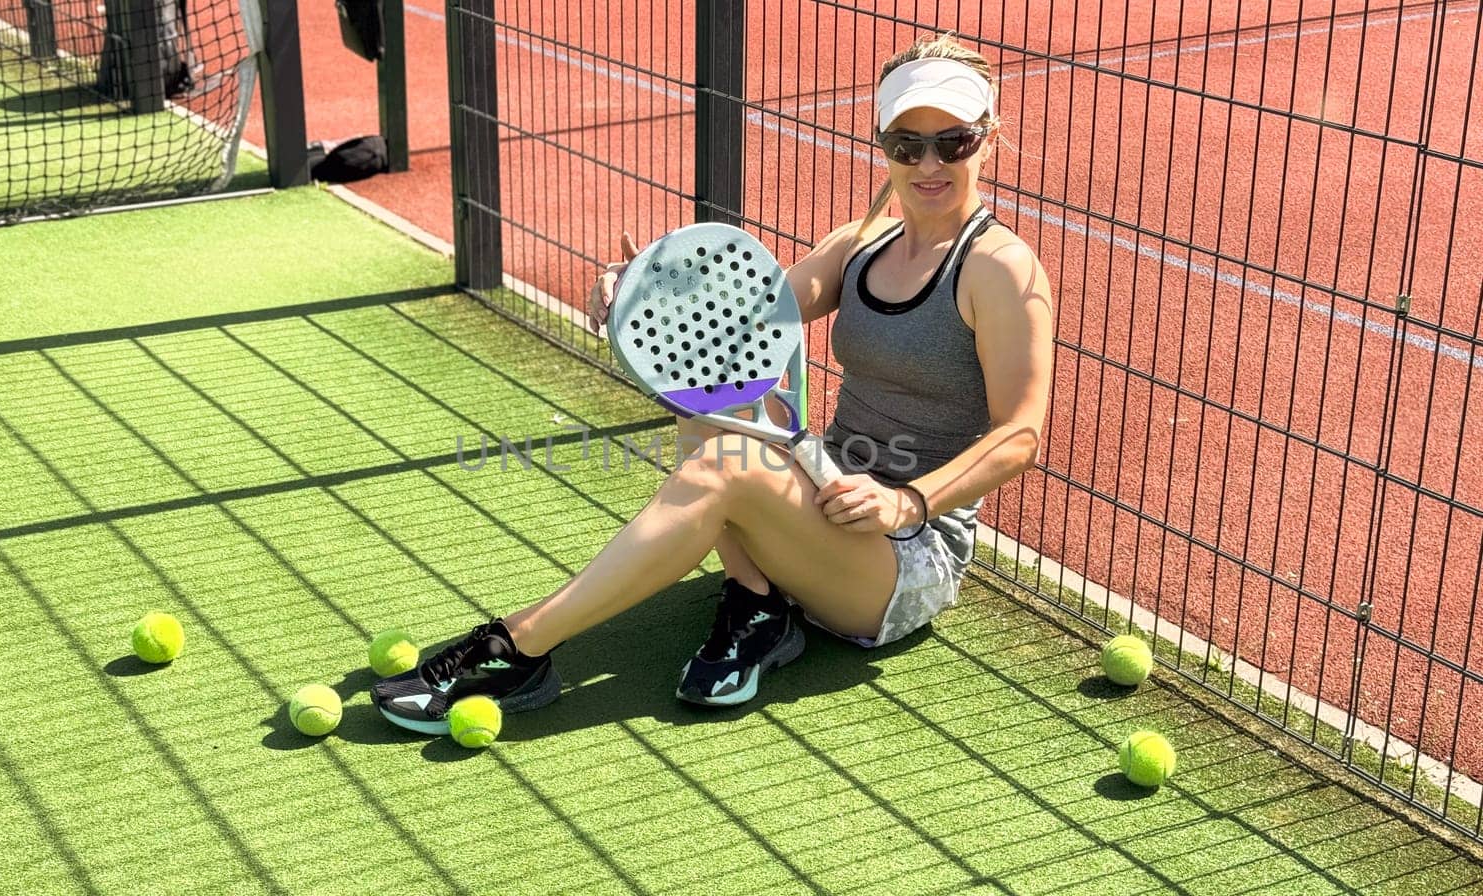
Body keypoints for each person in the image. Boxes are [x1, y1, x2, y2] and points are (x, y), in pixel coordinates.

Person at [371, 32, 1055, 733]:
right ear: (882, 143)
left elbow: (1021, 435)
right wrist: (635, 293)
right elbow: (738, 321)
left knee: (721, 464)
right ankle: (759, 605)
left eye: (955, 141)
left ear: (989, 138)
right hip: (826, 495)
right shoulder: (861, 242)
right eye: (907, 144)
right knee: (704, 401)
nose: (930, 163)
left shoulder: (1001, 269)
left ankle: (519, 645)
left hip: (906, 556)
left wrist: (906, 502)